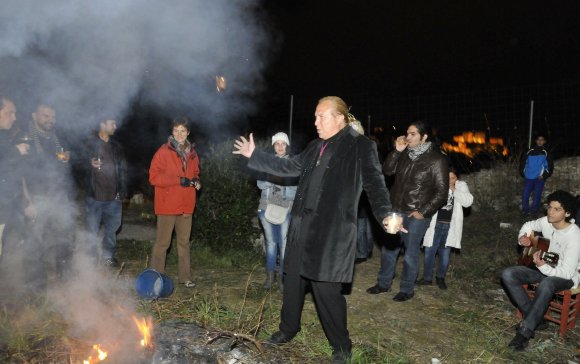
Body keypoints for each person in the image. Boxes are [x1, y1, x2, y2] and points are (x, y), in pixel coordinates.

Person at [233, 96, 394, 363]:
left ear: (340, 118)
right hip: (300, 227)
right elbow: (288, 166)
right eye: (315, 116)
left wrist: (386, 215)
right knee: (293, 282)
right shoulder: (314, 146)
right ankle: (288, 329)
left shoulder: (360, 146)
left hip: (330, 232)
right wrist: (255, 155)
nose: (316, 121)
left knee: (326, 291)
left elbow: (375, 185)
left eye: (322, 116)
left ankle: (342, 347)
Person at [367, 120, 448, 302]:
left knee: (411, 254)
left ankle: (407, 289)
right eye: (407, 133)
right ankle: (383, 284)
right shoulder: (404, 154)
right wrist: (396, 150)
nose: (407, 137)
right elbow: (387, 170)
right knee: (389, 250)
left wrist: (424, 211)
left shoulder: (436, 159)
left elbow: (442, 191)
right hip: (396, 210)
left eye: (412, 134)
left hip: (415, 215)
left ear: (424, 137)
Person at [501, 190, 580, 351]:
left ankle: (524, 333)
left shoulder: (574, 235)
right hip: (544, 269)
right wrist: (523, 237)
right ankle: (536, 319)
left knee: (547, 284)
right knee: (508, 274)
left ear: (567, 213)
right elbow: (529, 225)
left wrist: (543, 266)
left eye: (557, 209)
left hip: (566, 276)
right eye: (550, 207)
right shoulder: (546, 221)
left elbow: (566, 272)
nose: (551, 211)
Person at [24, 103, 77, 289]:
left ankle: (65, 279)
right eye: (45, 116)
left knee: (64, 238)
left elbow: (63, 167)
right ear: (34, 115)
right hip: (38, 197)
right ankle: (36, 286)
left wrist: (66, 159)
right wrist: (27, 200)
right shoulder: (26, 139)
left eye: (52, 116)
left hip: (59, 195)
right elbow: (23, 172)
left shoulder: (57, 138)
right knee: (36, 241)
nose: (50, 120)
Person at [149, 117, 201, 288]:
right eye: (176, 130)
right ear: (172, 132)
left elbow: (195, 172)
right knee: (163, 243)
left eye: (183, 131)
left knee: (184, 243)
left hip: (186, 205)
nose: (179, 134)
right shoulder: (163, 152)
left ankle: (185, 277)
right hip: (167, 205)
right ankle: (156, 278)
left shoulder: (192, 153)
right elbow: (154, 177)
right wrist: (179, 180)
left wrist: (196, 180)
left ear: (188, 133)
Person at [417, 167, 473, 289]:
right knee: (429, 251)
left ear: (457, 178)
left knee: (445, 253)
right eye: (447, 177)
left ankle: (440, 278)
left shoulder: (461, 186)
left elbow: (468, 202)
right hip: (435, 224)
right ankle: (427, 278)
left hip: (449, 226)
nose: (449, 180)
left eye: (452, 178)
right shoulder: (436, 184)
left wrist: (454, 190)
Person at [84, 118, 128, 267]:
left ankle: (108, 256)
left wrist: (123, 190)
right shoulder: (89, 144)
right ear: (102, 124)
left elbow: (123, 170)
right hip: (94, 196)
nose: (115, 126)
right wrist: (88, 163)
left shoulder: (116, 146)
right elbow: (78, 165)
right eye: (112, 124)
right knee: (92, 229)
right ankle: (91, 258)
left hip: (114, 197)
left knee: (112, 229)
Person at [256, 132, 297, 290]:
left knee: (285, 243)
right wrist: (274, 176)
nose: (280, 147)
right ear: (273, 146)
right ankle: (270, 277)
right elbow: (260, 184)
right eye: (277, 144)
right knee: (271, 243)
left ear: (287, 146)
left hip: (286, 208)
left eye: (283, 144)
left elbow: (296, 187)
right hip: (266, 207)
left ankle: (283, 278)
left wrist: (283, 178)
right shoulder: (267, 163)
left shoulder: (293, 164)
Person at [0, 97, 30, 263]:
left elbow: (11, 173)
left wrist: (24, 201)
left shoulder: (3, 137)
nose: (14, 117)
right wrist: (15, 152)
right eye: (9, 112)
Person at [519, 134, 553, 216]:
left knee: (537, 196)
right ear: (536, 141)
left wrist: (544, 176)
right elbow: (522, 163)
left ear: (544, 141)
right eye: (538, 139)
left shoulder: (546, 152)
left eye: (542, 140)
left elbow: (550, 166)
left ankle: (534, 212)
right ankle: (525, 211)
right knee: (525, 195)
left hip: (539, 178)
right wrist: (524, 174)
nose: (540, 141)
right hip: (528, 178)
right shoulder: (529, 151)